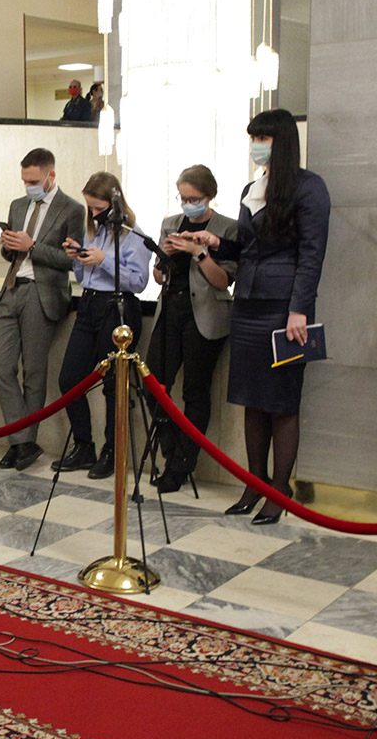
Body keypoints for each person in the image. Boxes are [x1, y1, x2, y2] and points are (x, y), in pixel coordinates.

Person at [184, 109, 329, 526]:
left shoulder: (309, 188)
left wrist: (299, 309)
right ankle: (254, 483)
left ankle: (278, 492)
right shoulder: (253, 188)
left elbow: (311, 255)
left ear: (281, 141)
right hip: (247, 304)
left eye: (261, 138)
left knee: (281, 403)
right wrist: (215, 243)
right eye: (253, 138)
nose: (255, 145)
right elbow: (248, 249)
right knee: (252, 401)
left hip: (283, 308)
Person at [0, 148, 86, 471]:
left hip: (42, 292)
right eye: (25, 181)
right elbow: (13, 254)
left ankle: (22, 443)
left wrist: (32, 246)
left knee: (33, 372)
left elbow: (70, 260)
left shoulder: (72, 209)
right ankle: (23, 441)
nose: (29, 186)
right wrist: (9, 246)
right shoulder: (18, 205)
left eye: (34, 181)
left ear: (50, 176)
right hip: (12, 288)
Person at [146, 165, 239, 493]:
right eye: (183, 198)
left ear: (209, 196)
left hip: (205, 313)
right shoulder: (170, 223)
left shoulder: (227, 228)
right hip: (170, 309)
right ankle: (172, 450)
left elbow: (223, 281)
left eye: (194, 199)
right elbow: (158, 276)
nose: (188, 204)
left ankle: (181, 466)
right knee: (153, 385)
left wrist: (200, 253)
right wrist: (166, 256)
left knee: (195, 392)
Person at [53, 172, 149, 478]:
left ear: (114, 203)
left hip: (118, 308)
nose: (94, 213)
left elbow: (138, 281)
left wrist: (104, 260)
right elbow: (86, 278)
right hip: (89, 305)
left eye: (99, 208)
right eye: (90, 207)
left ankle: (112, 450)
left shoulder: (133, 235)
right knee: (70, 379)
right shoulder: (93, 231)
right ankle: (84, 445)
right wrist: (78, 259)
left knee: (113, 386)